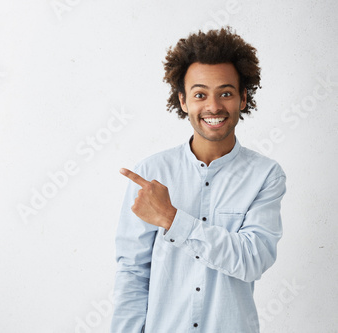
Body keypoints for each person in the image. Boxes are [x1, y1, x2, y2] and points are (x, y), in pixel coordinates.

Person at [110, 27, 287, 332]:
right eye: (200, 94)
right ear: (182, 100)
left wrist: (171, 218)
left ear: (243, 99)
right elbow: (133, 274)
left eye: (226, 93)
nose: (214, 107)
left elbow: (252, 260)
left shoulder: (265, 175)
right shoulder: (151, 173)